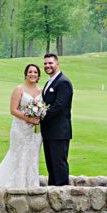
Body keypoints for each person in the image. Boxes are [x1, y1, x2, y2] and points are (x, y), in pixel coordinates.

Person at [0, 63, 43, 189]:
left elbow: (42, 108)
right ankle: (16, 184)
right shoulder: (19, 89)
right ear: (26, 74)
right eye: (30, 72)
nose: (33, 74)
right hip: (21, 128)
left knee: (33, 155)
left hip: (35, 132)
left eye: (35, 72)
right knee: (18, 154)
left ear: (38, 75)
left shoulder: (41, 91)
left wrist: (38, 116)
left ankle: (31, 184)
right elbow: (13, 110)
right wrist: (28, 118)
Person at [40, 53, 74, 186]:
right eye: (45, 64)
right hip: (48, 131)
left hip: (59, 131)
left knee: (59, 163)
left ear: (57, 64)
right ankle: (52, 191)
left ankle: (62, 193)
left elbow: (59, 106)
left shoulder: (63, 82)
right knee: (51, 164)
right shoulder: (50, 82)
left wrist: (40, 116)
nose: (47, 66)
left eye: (50, 63)